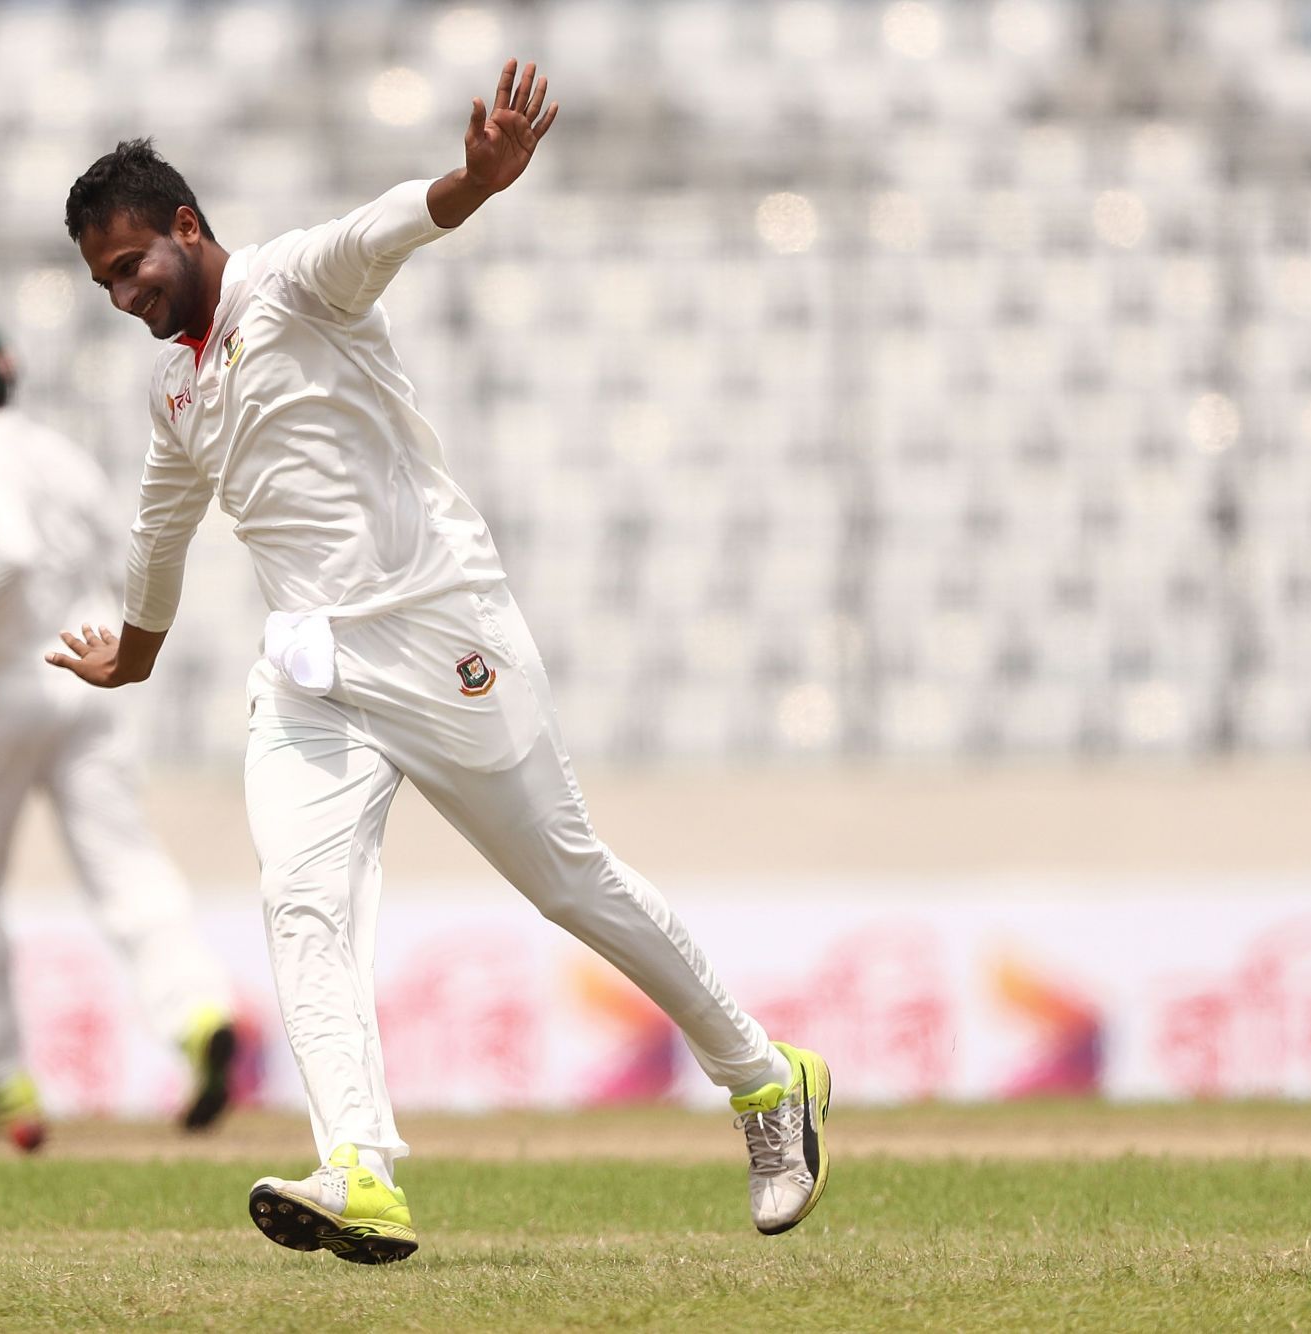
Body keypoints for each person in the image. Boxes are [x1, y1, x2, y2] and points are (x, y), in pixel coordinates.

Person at [49, 61, 829, 1259]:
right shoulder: (175, 389)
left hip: (440, 634)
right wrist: (136, 658)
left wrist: (470, 181)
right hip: (313, 680)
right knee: (300, 900)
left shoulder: (297, 282)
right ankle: (359, 1167)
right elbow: (162, 526)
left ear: (188, 228)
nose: (121, 294)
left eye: (130, 264)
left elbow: (382, 230)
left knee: (571, 880)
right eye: (103, 280)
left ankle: (767, 1080)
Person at [0, 324, 240, 1148]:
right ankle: (197, 1013)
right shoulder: (59, 454)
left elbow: (9, 551)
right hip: (92, 675)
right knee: (125, 867)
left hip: (10, 686)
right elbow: (122, 543)